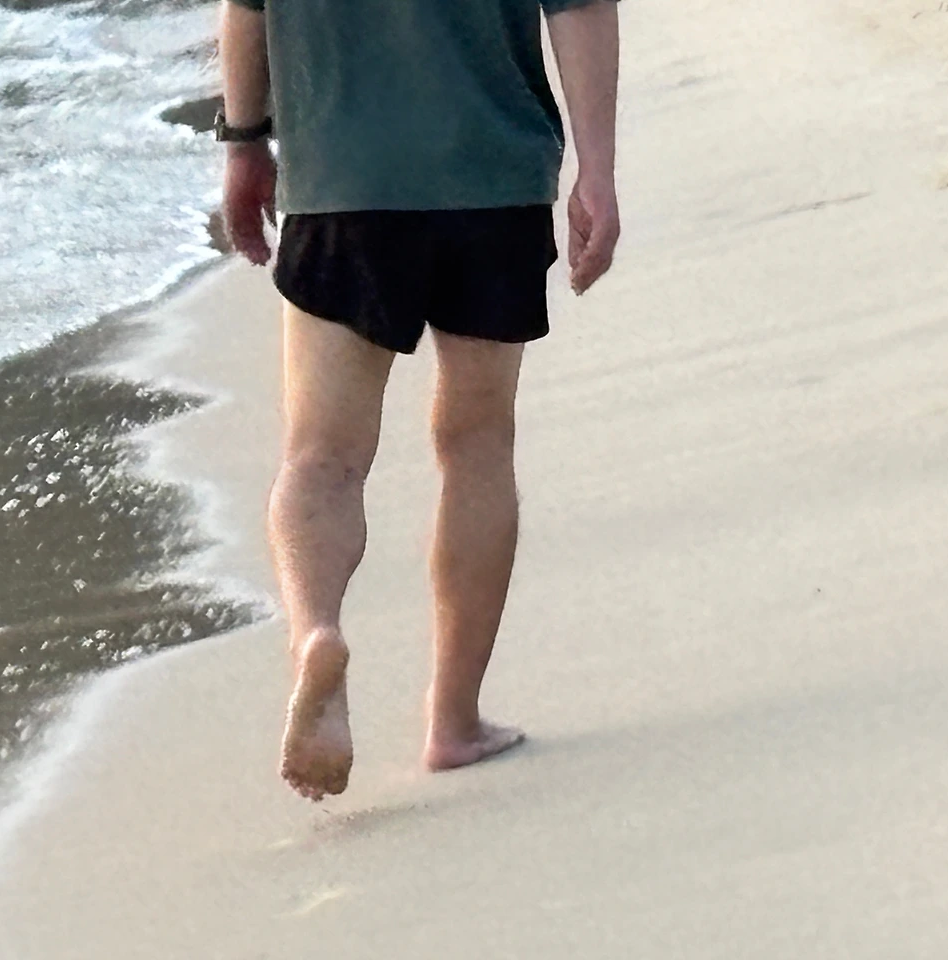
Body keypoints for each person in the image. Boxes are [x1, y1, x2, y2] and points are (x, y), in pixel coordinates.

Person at [218, 0, 621, 801]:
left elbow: (245, 7)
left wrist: (243, 142)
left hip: (340, 181)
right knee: (477, 445)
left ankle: (316, 633)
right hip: (493, 176)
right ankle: (453, 722)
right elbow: (581, 7)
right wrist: (598, 173)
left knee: (321, 459)